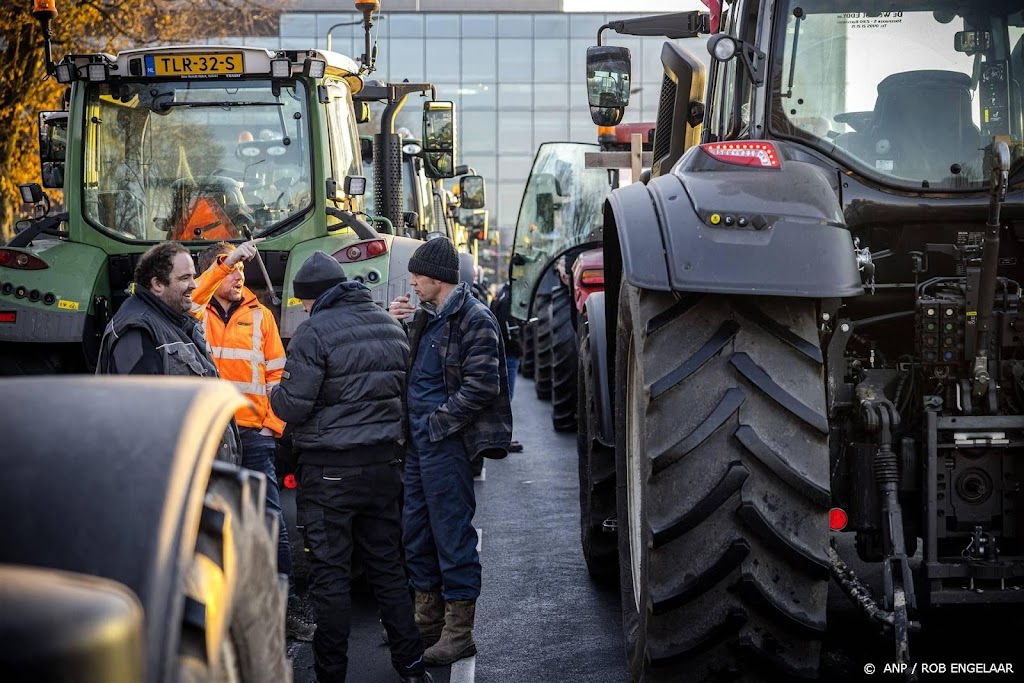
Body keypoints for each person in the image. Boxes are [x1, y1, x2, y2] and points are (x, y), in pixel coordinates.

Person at [270, 252, 431, 683]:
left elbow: (292, 405)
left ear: (313, 298)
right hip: (383, 468)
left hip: (329, 474)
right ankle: (413, 669)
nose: (303, 310)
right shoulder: (388, 325)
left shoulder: (313, 332)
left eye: (304, 303)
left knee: (331, 579)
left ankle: (331, 675)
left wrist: (273, 391)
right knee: (389, 572)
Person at [388, 237, 513, 667]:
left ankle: (458, 634)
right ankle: (427, 623)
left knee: (451, 535)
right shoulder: (428, 317)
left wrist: (437, 423)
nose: (412, 282)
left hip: (446, 446)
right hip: (420, 447)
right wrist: (400, 324)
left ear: (437, 277)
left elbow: (484, 385)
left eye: (417, 275)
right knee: (416, 531)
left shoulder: (474, 318)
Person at [191, 240, 316, 643]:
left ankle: (285, 609)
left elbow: (279, 375)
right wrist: (225, 261)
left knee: (270, 524)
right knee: (211, 523)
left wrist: (272, 427)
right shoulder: (195, 316)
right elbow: (191, 294)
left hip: (253, 436)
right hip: (210, 434)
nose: (238, 275)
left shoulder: (261, 317)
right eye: (229, 269)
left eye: (241, 270)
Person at [94, 241, 238, 464]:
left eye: (193, 276)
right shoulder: (137, 330)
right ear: (157, 284)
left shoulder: (173, 320)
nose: (193, 285)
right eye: (184, 279)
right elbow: (140, 421)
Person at [489, 281, 524, 452]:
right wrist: (519, 349)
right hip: (509, 354)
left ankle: (498, 437)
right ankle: (501, 439)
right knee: (506, 399)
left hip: (501, 351)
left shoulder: (500, 296)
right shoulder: (510, 300)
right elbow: (511, 329)